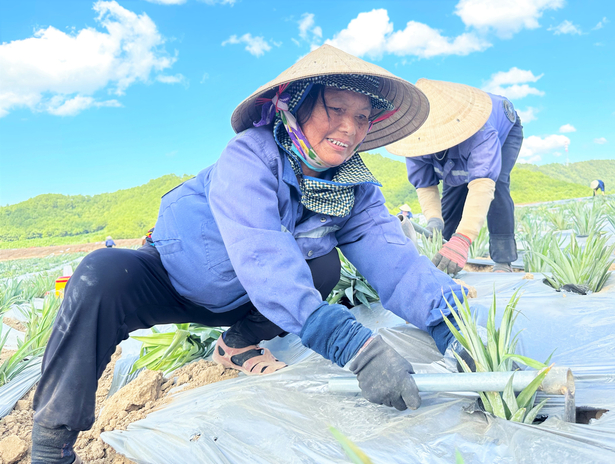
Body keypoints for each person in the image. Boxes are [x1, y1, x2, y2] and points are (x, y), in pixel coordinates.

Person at [30, 45, 473, 464]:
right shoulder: (250, 156)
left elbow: (394, 259)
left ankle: (237, 343)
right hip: (176, 278)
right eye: (336, 109)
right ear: (294, 105)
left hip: (254, 298)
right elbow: (262, 253)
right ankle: (52, 443)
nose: (350, 128)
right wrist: (354, 345)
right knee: (101, 274)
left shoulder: (355, 187)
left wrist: (449, 321)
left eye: (362, 116)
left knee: (323, 267)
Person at [387, 79, 524, 275]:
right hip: (456, 153)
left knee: (498, 185)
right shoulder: (415, 140)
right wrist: (434, 219)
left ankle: (503, 261)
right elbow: (425, 186)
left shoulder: (481, 133)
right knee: (451, 197)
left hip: (505, 129)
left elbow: (482, 184)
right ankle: (443, 257)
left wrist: (464, 239)